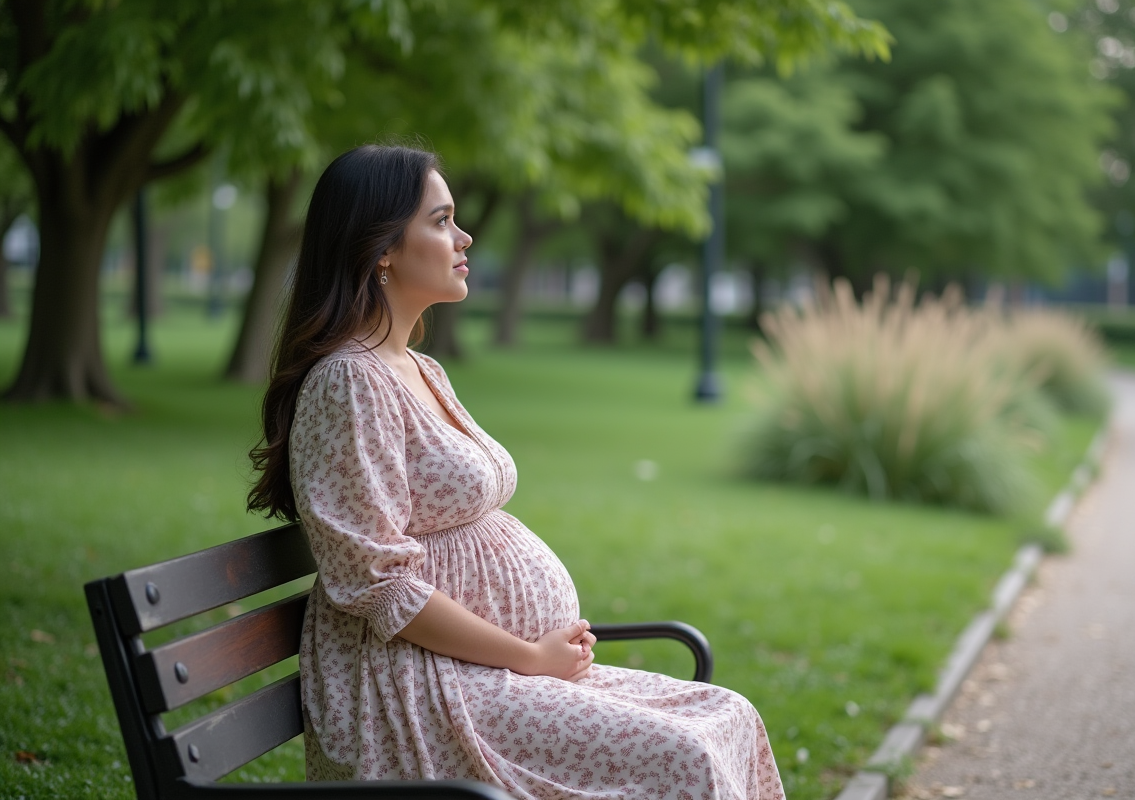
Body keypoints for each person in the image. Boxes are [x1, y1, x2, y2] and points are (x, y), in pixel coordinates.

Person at [248, 144, 785, 799]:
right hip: (421, 689)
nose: (464, 236)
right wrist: (528, 656)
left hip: (488, 672)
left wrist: (533, 655)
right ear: (382, 248)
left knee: (726, 715)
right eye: (441, 220)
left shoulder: (419, 369)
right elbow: (376, 586)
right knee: (684, 753)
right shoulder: (349, 383)